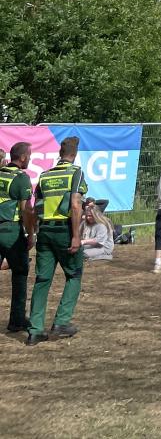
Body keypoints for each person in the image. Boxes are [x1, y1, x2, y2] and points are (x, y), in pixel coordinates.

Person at [27, 135, 87, 345]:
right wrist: (76, 236)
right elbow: (76, 205)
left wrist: (36, 232)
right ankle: (61, 322)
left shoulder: (44, 175)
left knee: (42, 280)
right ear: (75, 154)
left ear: (60, 153)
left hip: (45, 231)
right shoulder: (76, 173)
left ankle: (35, 330)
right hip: (64, 231)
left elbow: (36, 208)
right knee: (74, 274)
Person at [0, 139, 34, 333]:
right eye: (29, 156)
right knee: (20, 273)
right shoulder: (21, 178)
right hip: (11, 231)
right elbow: (25, 210)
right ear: (22, 157)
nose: (30, 159)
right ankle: (17, 320)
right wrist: (30, 234)